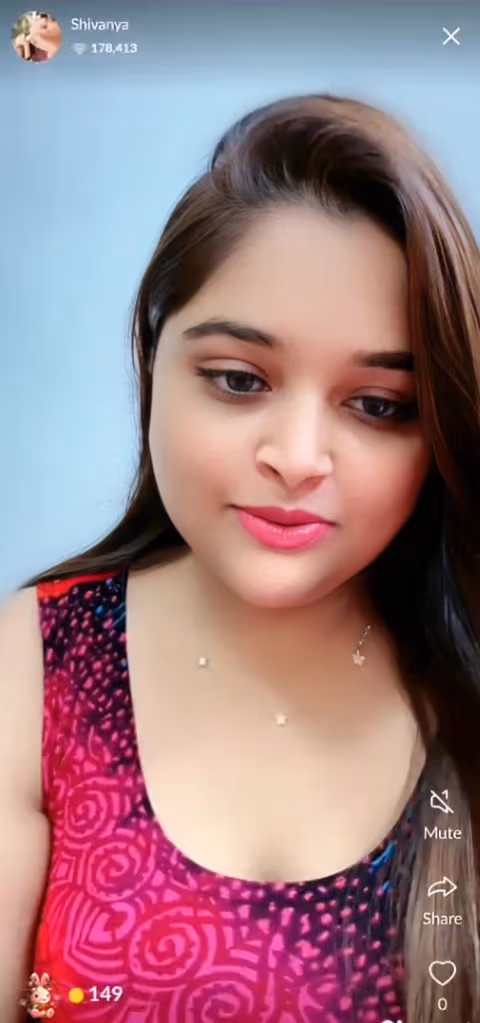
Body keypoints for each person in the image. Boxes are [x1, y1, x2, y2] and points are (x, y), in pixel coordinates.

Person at [1, 92, 480, 1023]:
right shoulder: (38, 664)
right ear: (152, 361)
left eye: (378, 404)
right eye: (238, 380)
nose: (297, 459)